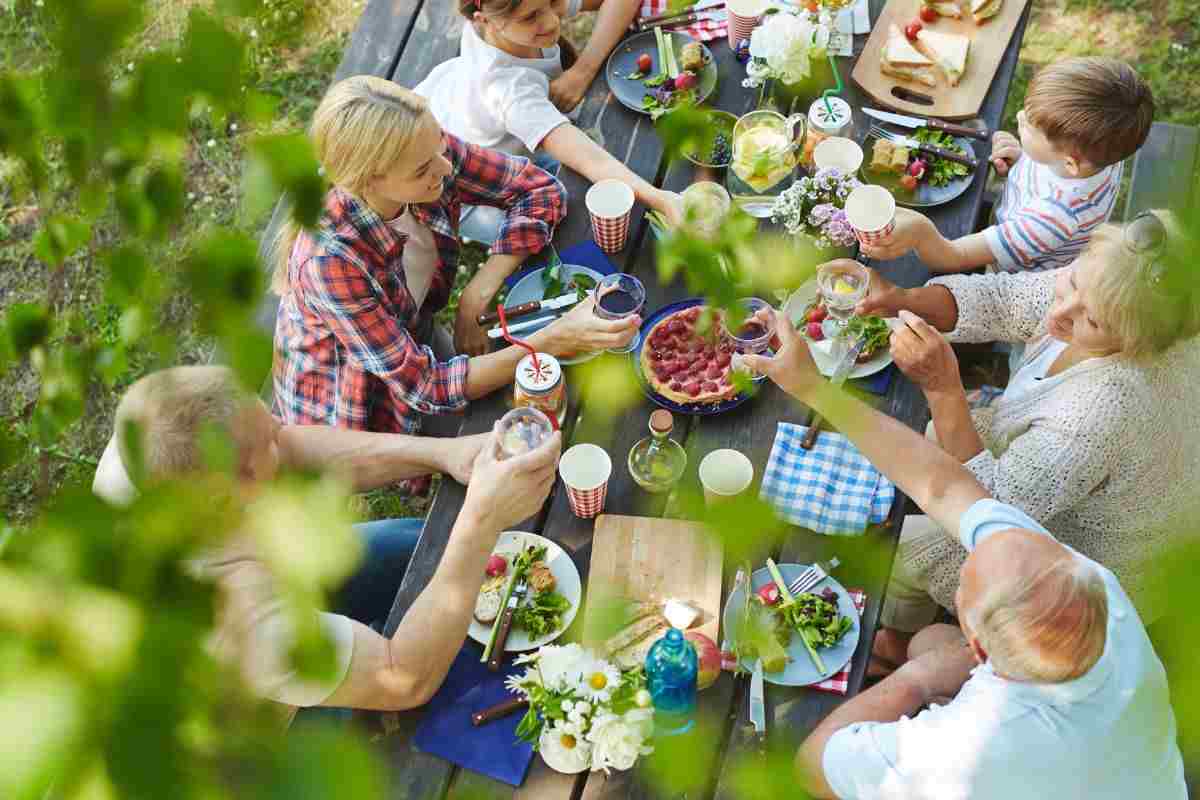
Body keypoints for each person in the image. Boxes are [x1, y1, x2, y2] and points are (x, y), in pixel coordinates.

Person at [740, 315, 1188, 800]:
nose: (983, 540)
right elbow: (944, 486)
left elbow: (816, 766)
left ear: (979, 650)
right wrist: (814, 387)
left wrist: (917, 680)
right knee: (929, 638)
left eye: (963, 584)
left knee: (923, 659)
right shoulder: (1093, 588)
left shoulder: (970, 747)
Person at [93, 365, 561, 712]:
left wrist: (446, 454)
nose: (281, 438)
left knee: (421, 545)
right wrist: (480, 519)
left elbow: (287, 445)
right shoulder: (232, 618)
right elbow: (405, 679)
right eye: (268, 451)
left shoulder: (158, 441)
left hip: (278, 575)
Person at [849, 211, 1198, 668]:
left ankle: (897, 643)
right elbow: (1006, 299)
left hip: (1085, 571)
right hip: (1047, 473)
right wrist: (903, 299)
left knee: (903, 552)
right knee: (929, 437)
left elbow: (991, 510)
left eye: (1088, 321)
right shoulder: (1113, 285)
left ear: (1136, 343)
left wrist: (942, 388)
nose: (1058, 314)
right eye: (1071, 283)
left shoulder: (1104, 408)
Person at [271, 76, 639, 446]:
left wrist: (478, 290)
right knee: (499, 438)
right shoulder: (329, 263)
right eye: (422, 170)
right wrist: (553, 340)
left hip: (415, 331)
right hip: (352, 401)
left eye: (440, 148)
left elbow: (539, 188)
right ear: (368, 180)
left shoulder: (422, 151)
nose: (446, 169)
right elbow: (426, 387)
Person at [414, 0, 681, 245]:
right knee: (556, 237)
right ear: (484, 20)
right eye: (531, 17)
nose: (553, 21)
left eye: (553, 2)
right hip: (465, 190)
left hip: (456, 106)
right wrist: (662, 201)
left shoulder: (516, 9)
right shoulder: (508, 88)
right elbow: (592, 161)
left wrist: (583, 70)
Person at [861, 57, 1154, 275]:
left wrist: (923, 232)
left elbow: (954, 256)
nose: (1019, 117)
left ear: (1069, 162)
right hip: (1020, 220)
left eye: (1030, 127)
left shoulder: (1052, 219)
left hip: (1014, 268)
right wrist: (1023, 158)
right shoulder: (1102, 151)